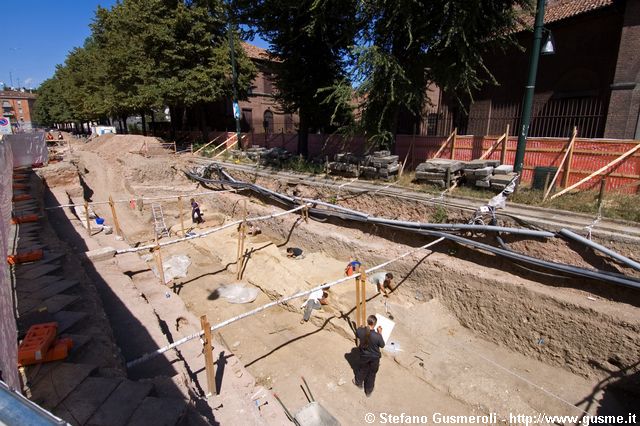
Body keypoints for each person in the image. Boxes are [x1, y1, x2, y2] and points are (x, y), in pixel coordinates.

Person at [353, 315, 385, 397]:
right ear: (375, 324)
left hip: (364, 355)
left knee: (362, 369)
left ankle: (358, 382)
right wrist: (380, 333)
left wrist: (362, 328)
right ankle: (368, 390)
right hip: (374, 358)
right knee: (372, 373)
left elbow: (357, 334)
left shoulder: (360, 331)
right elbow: (382, 345)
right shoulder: (377, 336)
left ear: (367, 322)